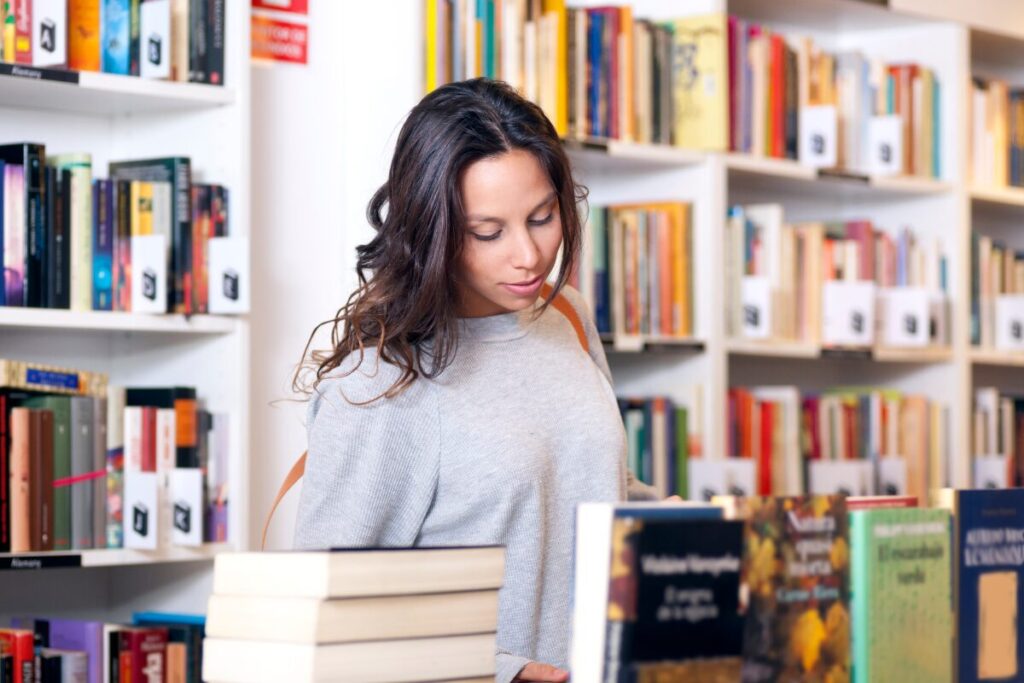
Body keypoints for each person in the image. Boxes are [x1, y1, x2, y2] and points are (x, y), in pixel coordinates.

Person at [293, 77, 659, 683]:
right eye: (488, 232)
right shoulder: (380, 384)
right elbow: (329, 611)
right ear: (430, 230)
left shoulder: (564, 316)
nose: (528, 255)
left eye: (543, 218)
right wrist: (502, 670)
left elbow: (578, 483)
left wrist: (681, 523)